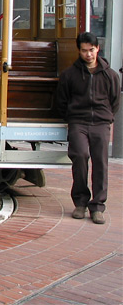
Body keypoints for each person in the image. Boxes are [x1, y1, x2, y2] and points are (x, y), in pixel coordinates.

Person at [55, 32, 120, 224]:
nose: (88, 54)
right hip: (78, 122)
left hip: (101, 123)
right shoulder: (70, 75)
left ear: (97, 49)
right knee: (80, 157)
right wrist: (70, 117)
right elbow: (62, 100)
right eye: (84, 51)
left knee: (100, 163)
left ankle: (98, 206)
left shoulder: (110, 75)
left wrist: (107, 118)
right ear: (79, 51)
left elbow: (115, 100)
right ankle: (80, 203)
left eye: (91, 50)